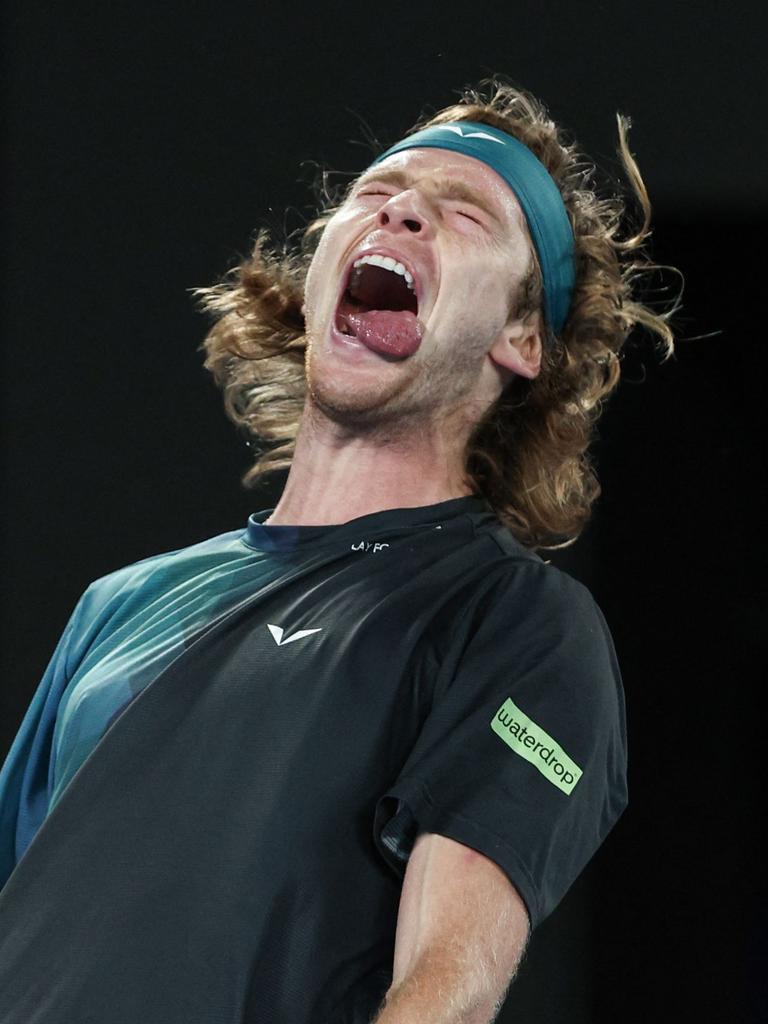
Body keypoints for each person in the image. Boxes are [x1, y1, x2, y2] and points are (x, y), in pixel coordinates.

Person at [0, 77, 676, 1024]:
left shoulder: (518, 623)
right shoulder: (119, 605)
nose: (399, 209)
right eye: (375, 192)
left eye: (465, 214)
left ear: (523, 335)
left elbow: (450, 988)